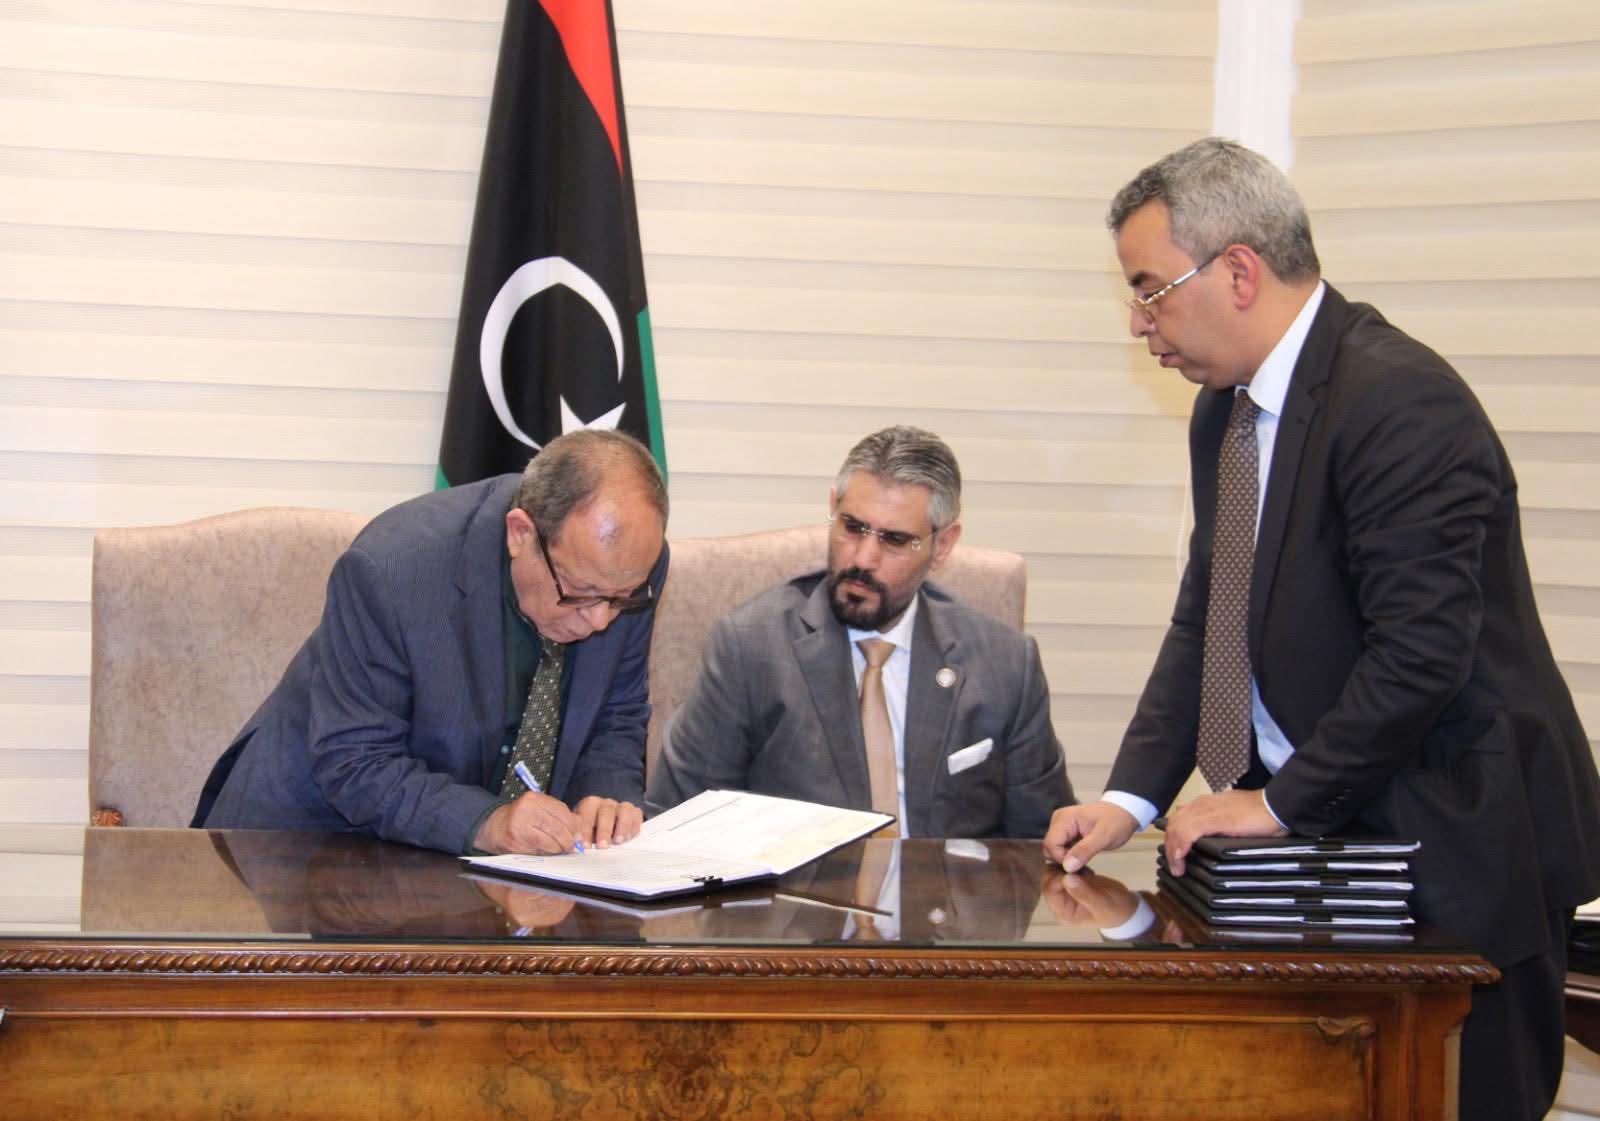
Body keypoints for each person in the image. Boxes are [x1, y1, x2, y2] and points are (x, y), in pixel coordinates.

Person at [1042, 137, 1600, 1121]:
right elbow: (1209, 617)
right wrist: (1131, 795)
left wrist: (1275, 802)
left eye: (1150, 290)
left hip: (1454, 849)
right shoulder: (1224, 413)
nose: (1139, 323)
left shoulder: (1399, 400)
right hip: (1330, 847)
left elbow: (1420, 654)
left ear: (1238, 271)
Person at [193, 429, 669, 857]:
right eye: (579, 593)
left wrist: (606, 795)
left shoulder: (628, 569)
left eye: (622, 599)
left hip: (482, 872)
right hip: (310, 849)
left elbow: (617, 711)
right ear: (520, 534)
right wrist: (487, 822)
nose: (600, 620)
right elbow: (355, 761)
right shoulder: (393, 571)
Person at [647, 425, 1073, 837]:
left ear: (942, 546)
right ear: (833, 507)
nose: (864, 558)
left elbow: (1042, 846)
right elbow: (678, 823)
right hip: (804, 887)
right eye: (852, 527)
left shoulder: (1005, 664)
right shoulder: (751, 648)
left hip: (944, 886)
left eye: (894, 540)